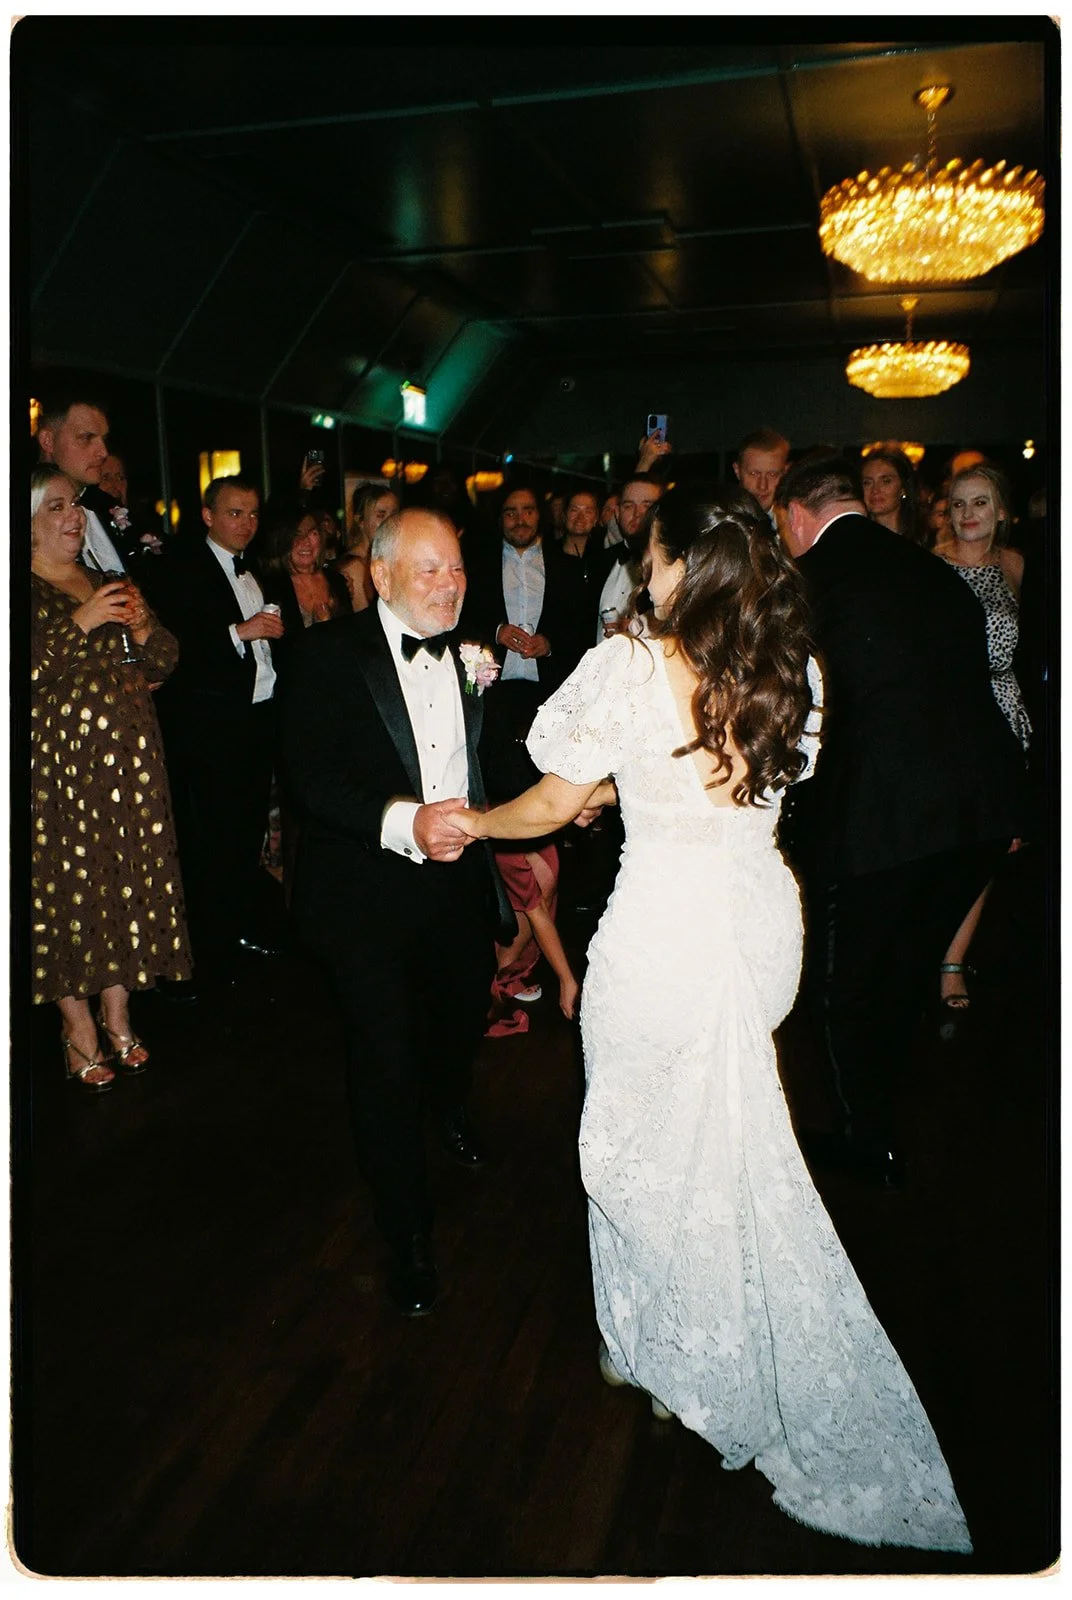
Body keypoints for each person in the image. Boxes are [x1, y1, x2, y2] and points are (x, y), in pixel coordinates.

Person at [448, 487, 971, 1553]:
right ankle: (692, 1333)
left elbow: (552, 802)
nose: (642, 568)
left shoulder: (635, 664)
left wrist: (475, 822)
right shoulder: (794, 666)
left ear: (683, 559)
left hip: (666, 928)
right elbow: (737, 781)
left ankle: (658, 1351)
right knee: (716, 1134)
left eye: (649, 551)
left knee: (635, 1138)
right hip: (756, 919)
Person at [279, 508, 515, 1317]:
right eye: (430, 570)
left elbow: (493, 753)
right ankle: (407, 1233)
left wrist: (567, 795)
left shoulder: (473, 649)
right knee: (383, 1057)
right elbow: (309, 778)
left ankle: (449, 1101)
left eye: (456, 568)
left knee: (459, 1015)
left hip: (456, 887)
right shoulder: (320, 655)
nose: (450, 585)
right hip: (364, 894)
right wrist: (402, 820)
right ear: (380, 576)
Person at [774, 458, 1025, 1186]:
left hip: (884, 818)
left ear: (796, 515)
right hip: (979, 811)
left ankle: (868, 1143)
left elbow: (801, 711)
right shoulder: (934, 571)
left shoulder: (807, 581)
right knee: (904, 967)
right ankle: (889, 1107)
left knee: (841, 986)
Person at [30, 466, 192, 1087]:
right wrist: (82, 622)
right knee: (72, 895)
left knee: (126, 883)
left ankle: (120, 1018)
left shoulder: (105, 578)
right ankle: (79, 1032)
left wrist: (145, 626)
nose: (73, 517)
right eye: (55, 508)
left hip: (132, 772)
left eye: (75, 506)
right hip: (60, 776)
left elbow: (166, 660)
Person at [150, 475, 286, 986]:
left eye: (252, 514)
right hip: (210, 731)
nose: (246, 524)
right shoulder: (183, 568)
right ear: (207, 515)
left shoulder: (254, 570)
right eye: (234, 513)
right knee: (211, 841)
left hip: (255, 721)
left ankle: (236, 931)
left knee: (246, 835)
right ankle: (207, 952)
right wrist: (240, 631)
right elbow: (175, 646)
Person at [933, 462, 1030, 1013]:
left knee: (988, 843)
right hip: (946, 716)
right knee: (944, 841)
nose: (969, 514)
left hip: (1002, 712)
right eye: (960, 503)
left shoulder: (1015, 565)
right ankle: (928, 946)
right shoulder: (930, 564)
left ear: (1000, 511)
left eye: (980, 502)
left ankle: (953, 960)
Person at [37, 393, 127, 572]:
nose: (103, 452)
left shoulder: (108, 507)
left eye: (103, 440)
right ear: (48, 441)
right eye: (86, 438)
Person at [336, 483, 399, 610]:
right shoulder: (354, 566)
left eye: (394, 515)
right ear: (360, 520)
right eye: (381, 515)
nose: (389, 521)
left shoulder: (390, 558)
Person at [860, 447, 925, 544]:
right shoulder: (855, 540)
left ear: (903, 488)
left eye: (886, 481)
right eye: (867, 483)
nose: (875, 490)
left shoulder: (924, 540)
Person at [732, 427, 790, 526]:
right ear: (737, 471)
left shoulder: (798, 526)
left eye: (772, 475)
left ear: (786, 473)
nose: (762, 486)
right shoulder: (719, 522)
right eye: (754, 473)